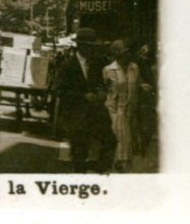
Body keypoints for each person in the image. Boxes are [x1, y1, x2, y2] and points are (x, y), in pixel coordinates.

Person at [52, 27, 116, 173]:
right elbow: (60, 91)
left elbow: (104, 82)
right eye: (88, 46)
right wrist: (82, 96)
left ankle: (100, 169)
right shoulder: (67, 66)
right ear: (80, 46)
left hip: (97, 113)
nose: (91, 50)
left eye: (93, 47)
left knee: (109, 141)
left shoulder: (99, 63)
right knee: (79, 152)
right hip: (77, 115)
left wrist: (102, 91)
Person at [103, 39, 152, 172]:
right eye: (123, 53)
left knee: (128, 145)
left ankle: (120, 171)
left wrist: (142, 86)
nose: (127, 56)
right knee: (121, 143)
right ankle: (119, 169)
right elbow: (106, 92)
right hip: (115, 111)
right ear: (117, 55)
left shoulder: (134, 68)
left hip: (131, 112)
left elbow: (137, 83)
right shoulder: (108, 70)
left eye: (128, 53)